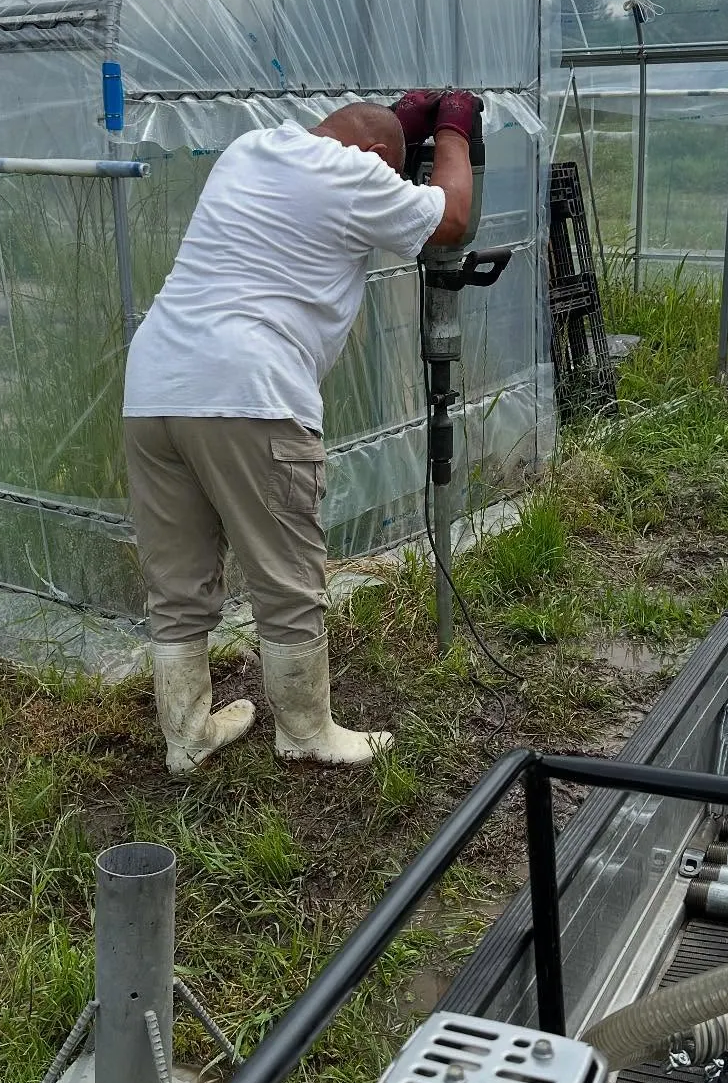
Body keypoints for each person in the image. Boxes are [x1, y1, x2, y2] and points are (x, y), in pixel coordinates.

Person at [122, 90, 479, 775]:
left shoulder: (249, 150)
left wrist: (392, 125)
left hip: (155, 387)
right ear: (376, 157)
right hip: (249, 391)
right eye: (391, 169)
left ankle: (187, 737)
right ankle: (307, 732)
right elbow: (452, 217)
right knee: (287, 574)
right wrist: (454, 129)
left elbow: (345, 146)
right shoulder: (357, 173)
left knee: (177, 580)